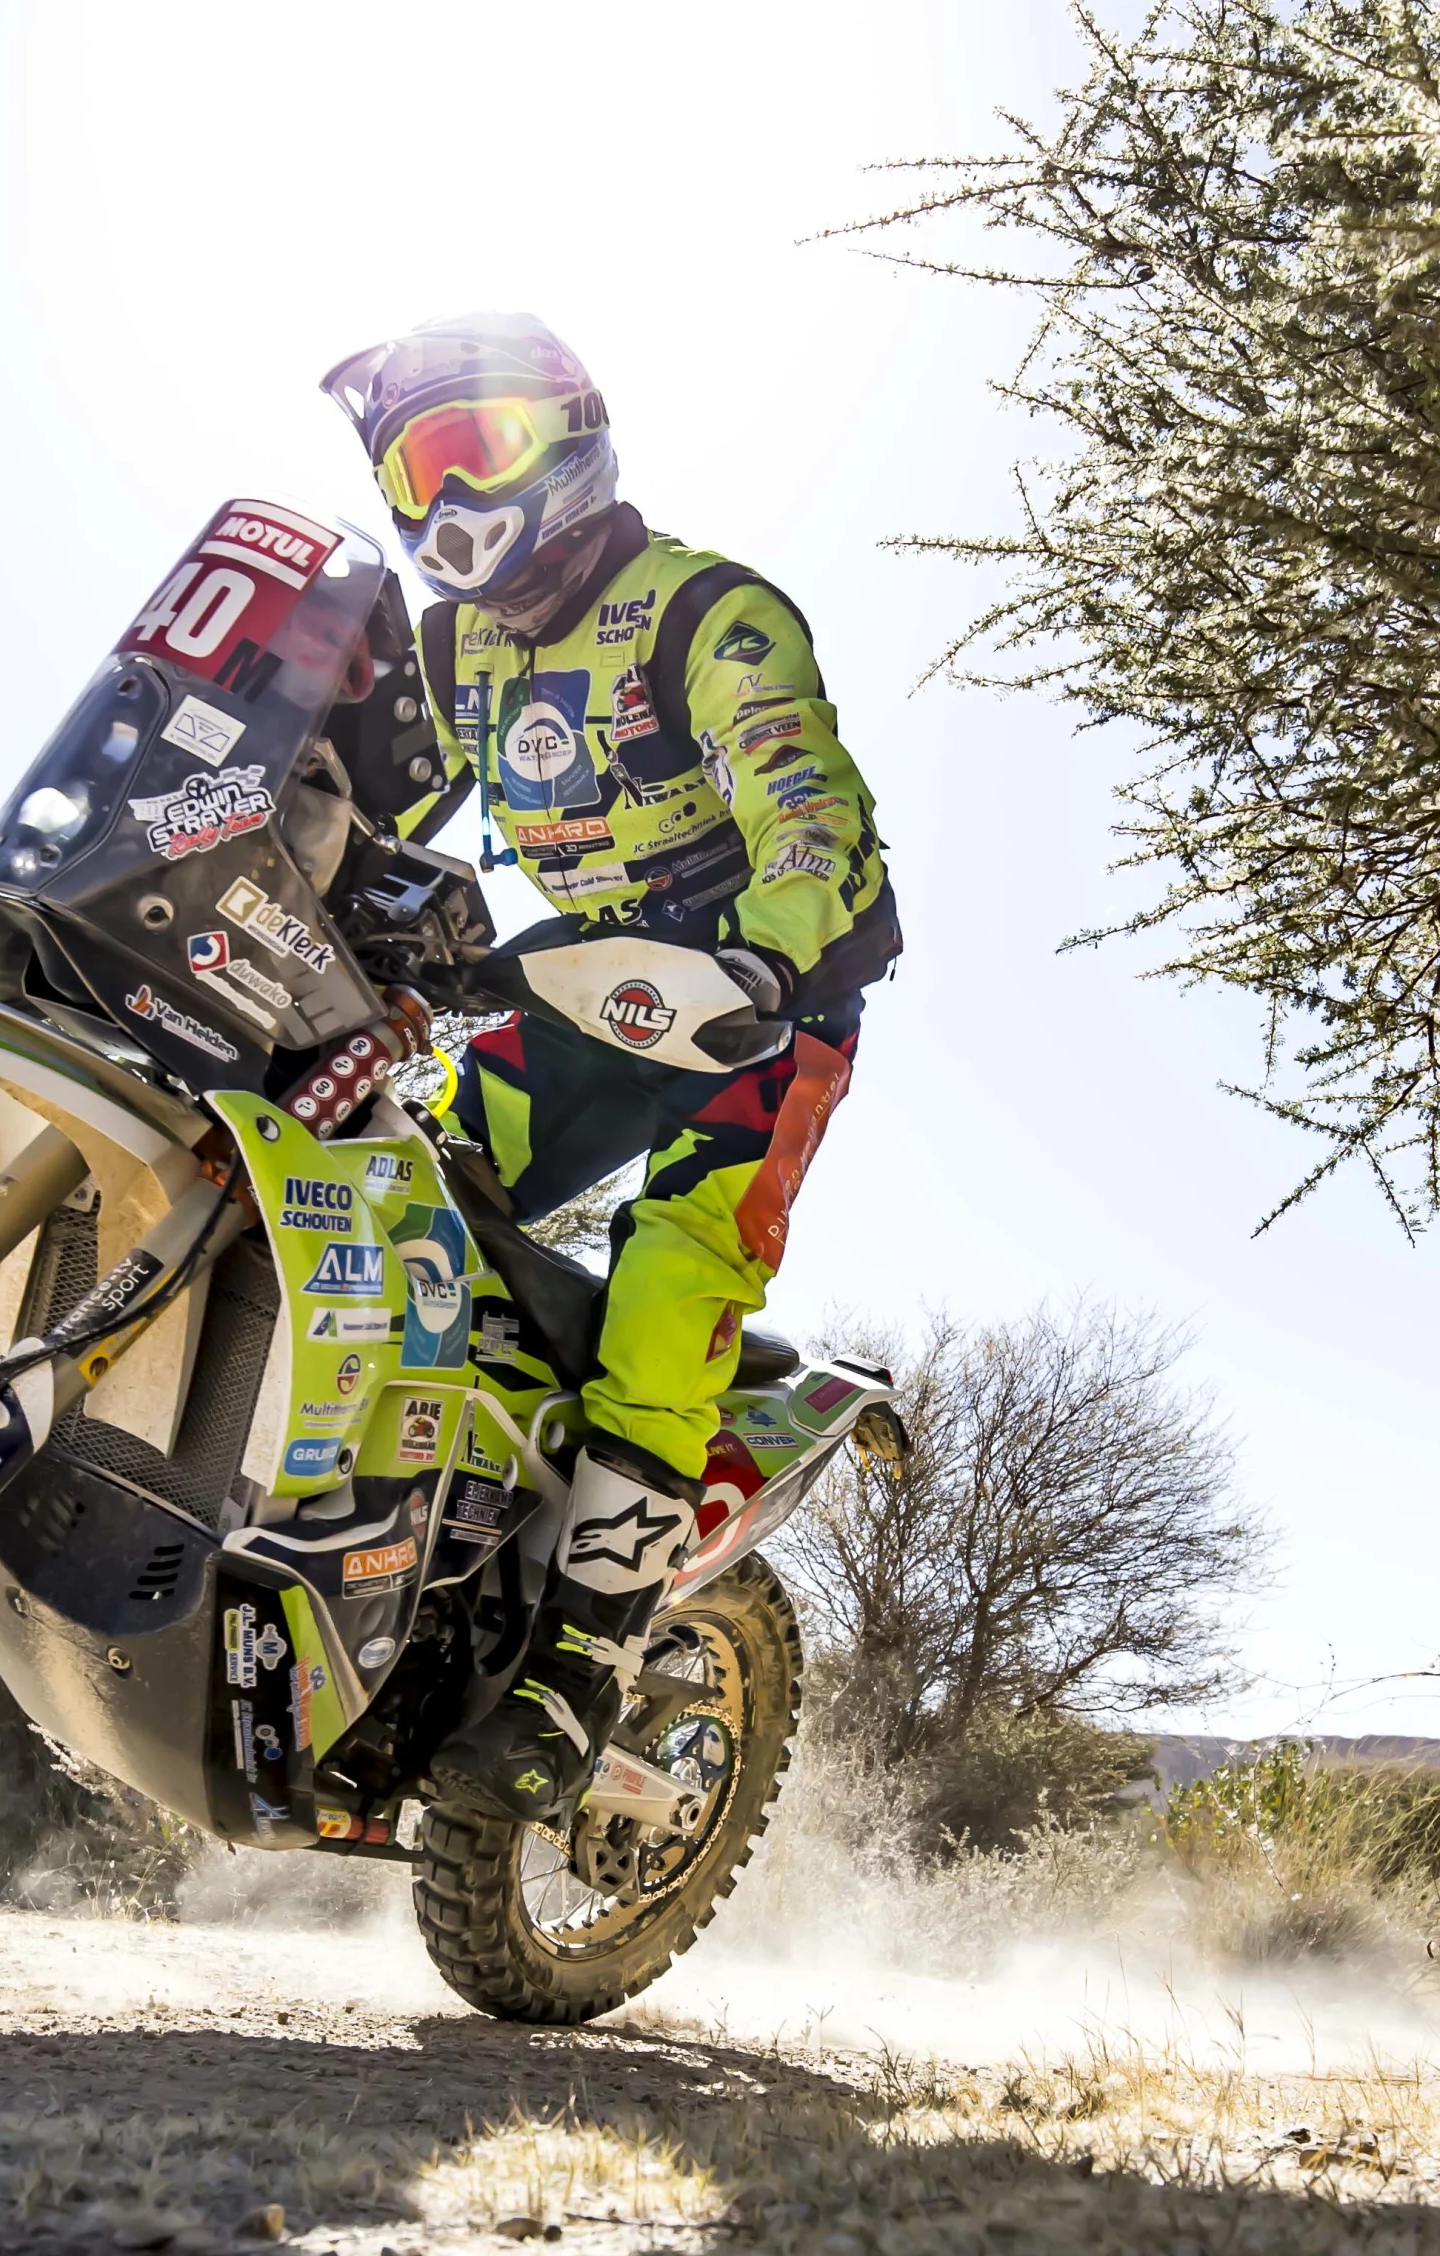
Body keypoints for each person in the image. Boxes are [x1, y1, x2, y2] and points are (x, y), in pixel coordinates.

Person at [317, 312, 902, 1825]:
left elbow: (809, 804)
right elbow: (394, 798)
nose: (446, 503)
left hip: (768, 1007)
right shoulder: (462, 646)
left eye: (476, 451)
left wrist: (768, 958)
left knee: (670, 1279)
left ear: (567, 438)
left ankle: (579, 1666)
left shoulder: (709, 613)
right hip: (589, 984)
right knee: (397, 1180)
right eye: (412, 469)